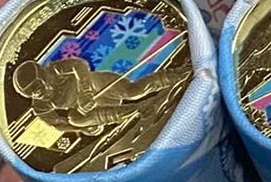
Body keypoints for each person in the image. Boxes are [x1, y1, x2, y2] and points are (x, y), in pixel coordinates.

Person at [11, 53, 184, 137]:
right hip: (96, 107)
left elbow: (79, 64)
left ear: (43, 76)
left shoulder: (54, 70)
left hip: (98, 84)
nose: (37, 93)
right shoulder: (40, 105)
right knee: (75, 119)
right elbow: (57, 124)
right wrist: (81, 129)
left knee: (133, 92)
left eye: (37, 86)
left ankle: (177, 75)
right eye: (31, 93)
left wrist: (84, 91)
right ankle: (137, 110)